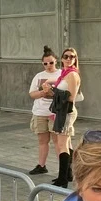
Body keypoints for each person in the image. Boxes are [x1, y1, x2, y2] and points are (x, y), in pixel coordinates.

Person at [51, 47, 83, 188]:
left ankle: (62, 179)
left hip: (67, 111)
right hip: (62, 111)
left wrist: (53, 91)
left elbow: (71, 97)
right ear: (62, 58)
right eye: (66, 56)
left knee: (62, 144)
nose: (69, 59)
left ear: (75, 59)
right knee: (67, 143)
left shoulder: (72, 75)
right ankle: (68, 174)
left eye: (72, 56)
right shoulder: (64, 73)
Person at [28, 46, 61, 175]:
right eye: (45, 63)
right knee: (42, 141)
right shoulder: (39, 76)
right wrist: (43, 92)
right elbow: (32, 94)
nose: (48, 66)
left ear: (56, 61)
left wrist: (52, 92)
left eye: (51, 63)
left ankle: (63, 169)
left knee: (58, 142)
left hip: (55, 112)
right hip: (40, 112)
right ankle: (41, 165)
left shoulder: (61, 74)